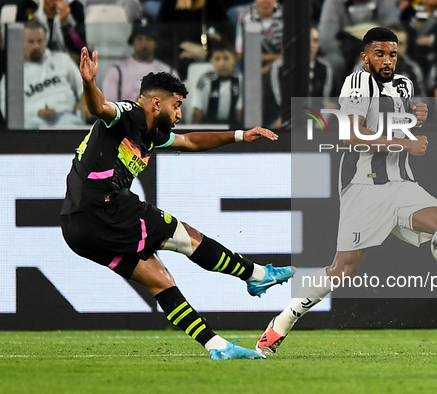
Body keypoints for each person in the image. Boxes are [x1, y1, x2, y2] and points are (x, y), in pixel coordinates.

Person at [255, 27, 437, 355]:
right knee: (343, 269)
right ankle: (280, 325)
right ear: (365, 57)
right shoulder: (357, 84)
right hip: (363, 186)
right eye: (380, 54)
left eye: (392, 54)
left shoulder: (404, 84)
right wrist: (405, 142)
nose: (388, 60)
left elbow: (397, 123)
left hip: (401, 182)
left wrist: (417, 120)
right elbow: (351, 135)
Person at [60, 46, 296, 360]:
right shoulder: (128, 115)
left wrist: (239, 134)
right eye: (177, 105)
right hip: (104, 210)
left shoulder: (150, 134)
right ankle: (255, 275)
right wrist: (89, 83)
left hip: (78, 229)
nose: (180, 114)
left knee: (160, 280)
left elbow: (190, 141)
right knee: (184, 236)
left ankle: (217, 347)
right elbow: (99, 107)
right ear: (156, 102)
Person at [0, 21, 86, 129]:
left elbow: (84, 87)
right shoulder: (13, 75)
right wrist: (36, 113)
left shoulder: (62, 60)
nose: (36, 46)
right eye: (31, 42)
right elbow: (8, 111)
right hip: (33, 121)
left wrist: (84, 102)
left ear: (46, 41)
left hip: (66, 115)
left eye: (40, 41)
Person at [318, 0, 399, 87]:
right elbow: (327, 37)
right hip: (342, 50)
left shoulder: (385, 2)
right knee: (334, 61)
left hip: (376, 48)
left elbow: (392, 32)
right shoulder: (333, 2)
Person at [264, 26, 334, 128]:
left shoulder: (324, 67)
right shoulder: (279, 67)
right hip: (283, 112)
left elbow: (323, 98)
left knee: (328, 111)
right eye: (307, 41)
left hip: (313, 112)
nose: (312, 45)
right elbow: (279, 99)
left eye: (315, 41)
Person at [102, 20, 178, 102]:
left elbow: (178, 108)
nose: (144, 44)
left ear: (155, 43)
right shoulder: (117, 71)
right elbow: (109, 107)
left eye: (148, 39)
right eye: (139, 39)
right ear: (132, 42)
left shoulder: (169, 72)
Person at [192, 39, 242, 127]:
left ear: (234, 59)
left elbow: (240, 112)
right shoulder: (204, 80)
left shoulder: (240, 79)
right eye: (217, 59)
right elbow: (197, 111)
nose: (222, 63)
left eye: (226, 58)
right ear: (211, 61)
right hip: (208, 126)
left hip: (233, 127)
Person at [16, 0, 87, 61]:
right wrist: (32, 19)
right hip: (36, 59)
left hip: (67, 60)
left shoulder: (75, 8)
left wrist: (65, 23)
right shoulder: (29, 7)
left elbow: (81, 45)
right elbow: (16, 41)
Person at [235, 0, 283, 74]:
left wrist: (267, 68)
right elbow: (240, 54)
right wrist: (275, 57)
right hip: (252, 69)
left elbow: (289, 54)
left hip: (281, 68)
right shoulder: (245, 15)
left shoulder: (287, 15)